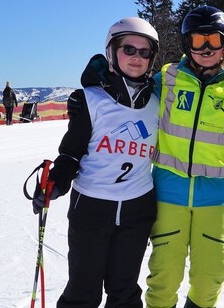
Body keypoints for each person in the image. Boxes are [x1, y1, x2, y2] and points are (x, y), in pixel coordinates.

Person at [30, 17, 161, 307]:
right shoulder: (91, 100)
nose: (136, 58)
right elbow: (71, 154)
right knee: (83, 291)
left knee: (124, 291)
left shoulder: (158, 103)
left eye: (144, 52)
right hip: (91, 207)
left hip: (137, 210)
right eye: (128, 49)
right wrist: (56, 182)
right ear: (112, 51)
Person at [145, 6, 224, 308]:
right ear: (187, 44)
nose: (207, 48)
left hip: (216, 199)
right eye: (199, 40)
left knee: (210, 279)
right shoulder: (166, 79)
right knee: (163, 278)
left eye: (214, 39)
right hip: (169, 194)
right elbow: (132, 101)